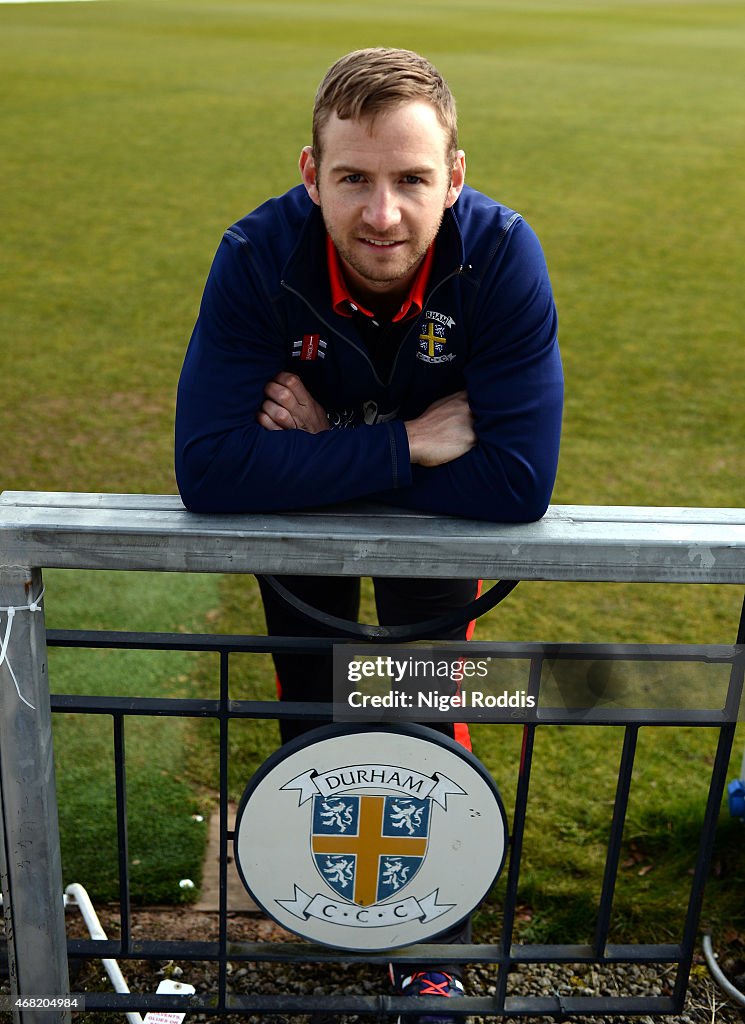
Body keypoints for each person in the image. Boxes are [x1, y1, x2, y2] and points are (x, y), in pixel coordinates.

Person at [176, 47, 563, 1024]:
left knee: (419, 706)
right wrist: (412, 442)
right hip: (324, 528)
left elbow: (517, 481)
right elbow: (212, 468)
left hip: (415, 533)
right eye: (352, 178)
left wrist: (327, 450)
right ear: (311, 175)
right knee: (313, 699)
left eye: (410, 180)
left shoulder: (500, 253)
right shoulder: (259, 255)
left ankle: (427, 945)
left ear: (456, 177)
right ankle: (344, 909)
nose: (381, 213)